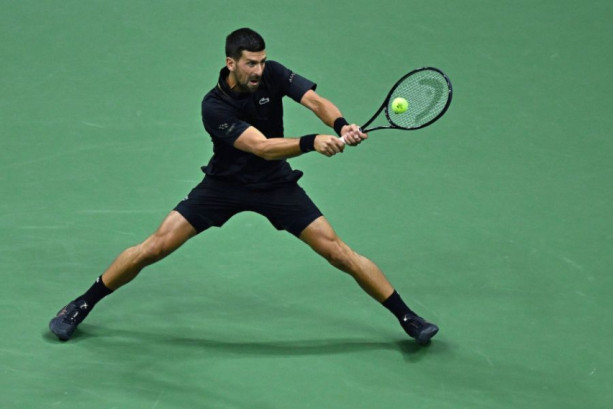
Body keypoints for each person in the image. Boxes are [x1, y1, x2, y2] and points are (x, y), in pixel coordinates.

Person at [49, 28, 438, 345]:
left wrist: (340, 125)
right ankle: (81, 304)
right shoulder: (214, 106)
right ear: (230, 63)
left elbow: (315, 101)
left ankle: (408, 317)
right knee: (155, 246)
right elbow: (262, 147)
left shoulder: (273, 74)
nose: (258, 70)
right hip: (224, 186)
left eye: (262, 61)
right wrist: (311, 142)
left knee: (338, 252)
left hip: (275, 185)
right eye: (251, 63)